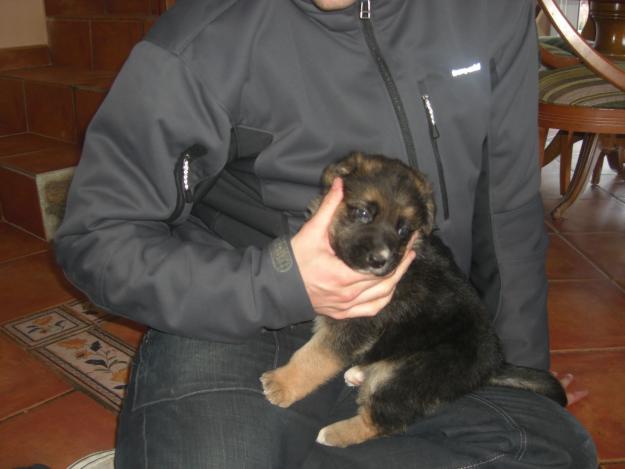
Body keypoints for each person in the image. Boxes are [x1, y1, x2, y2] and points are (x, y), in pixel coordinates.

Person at [54, 0, 598, 467]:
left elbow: (507, 211)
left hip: (418, 327)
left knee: (553, 449)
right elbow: (97, 237)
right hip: (243, 320)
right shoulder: (199, 38)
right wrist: (279, 280)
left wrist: (523, 368)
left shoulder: (490, 10)